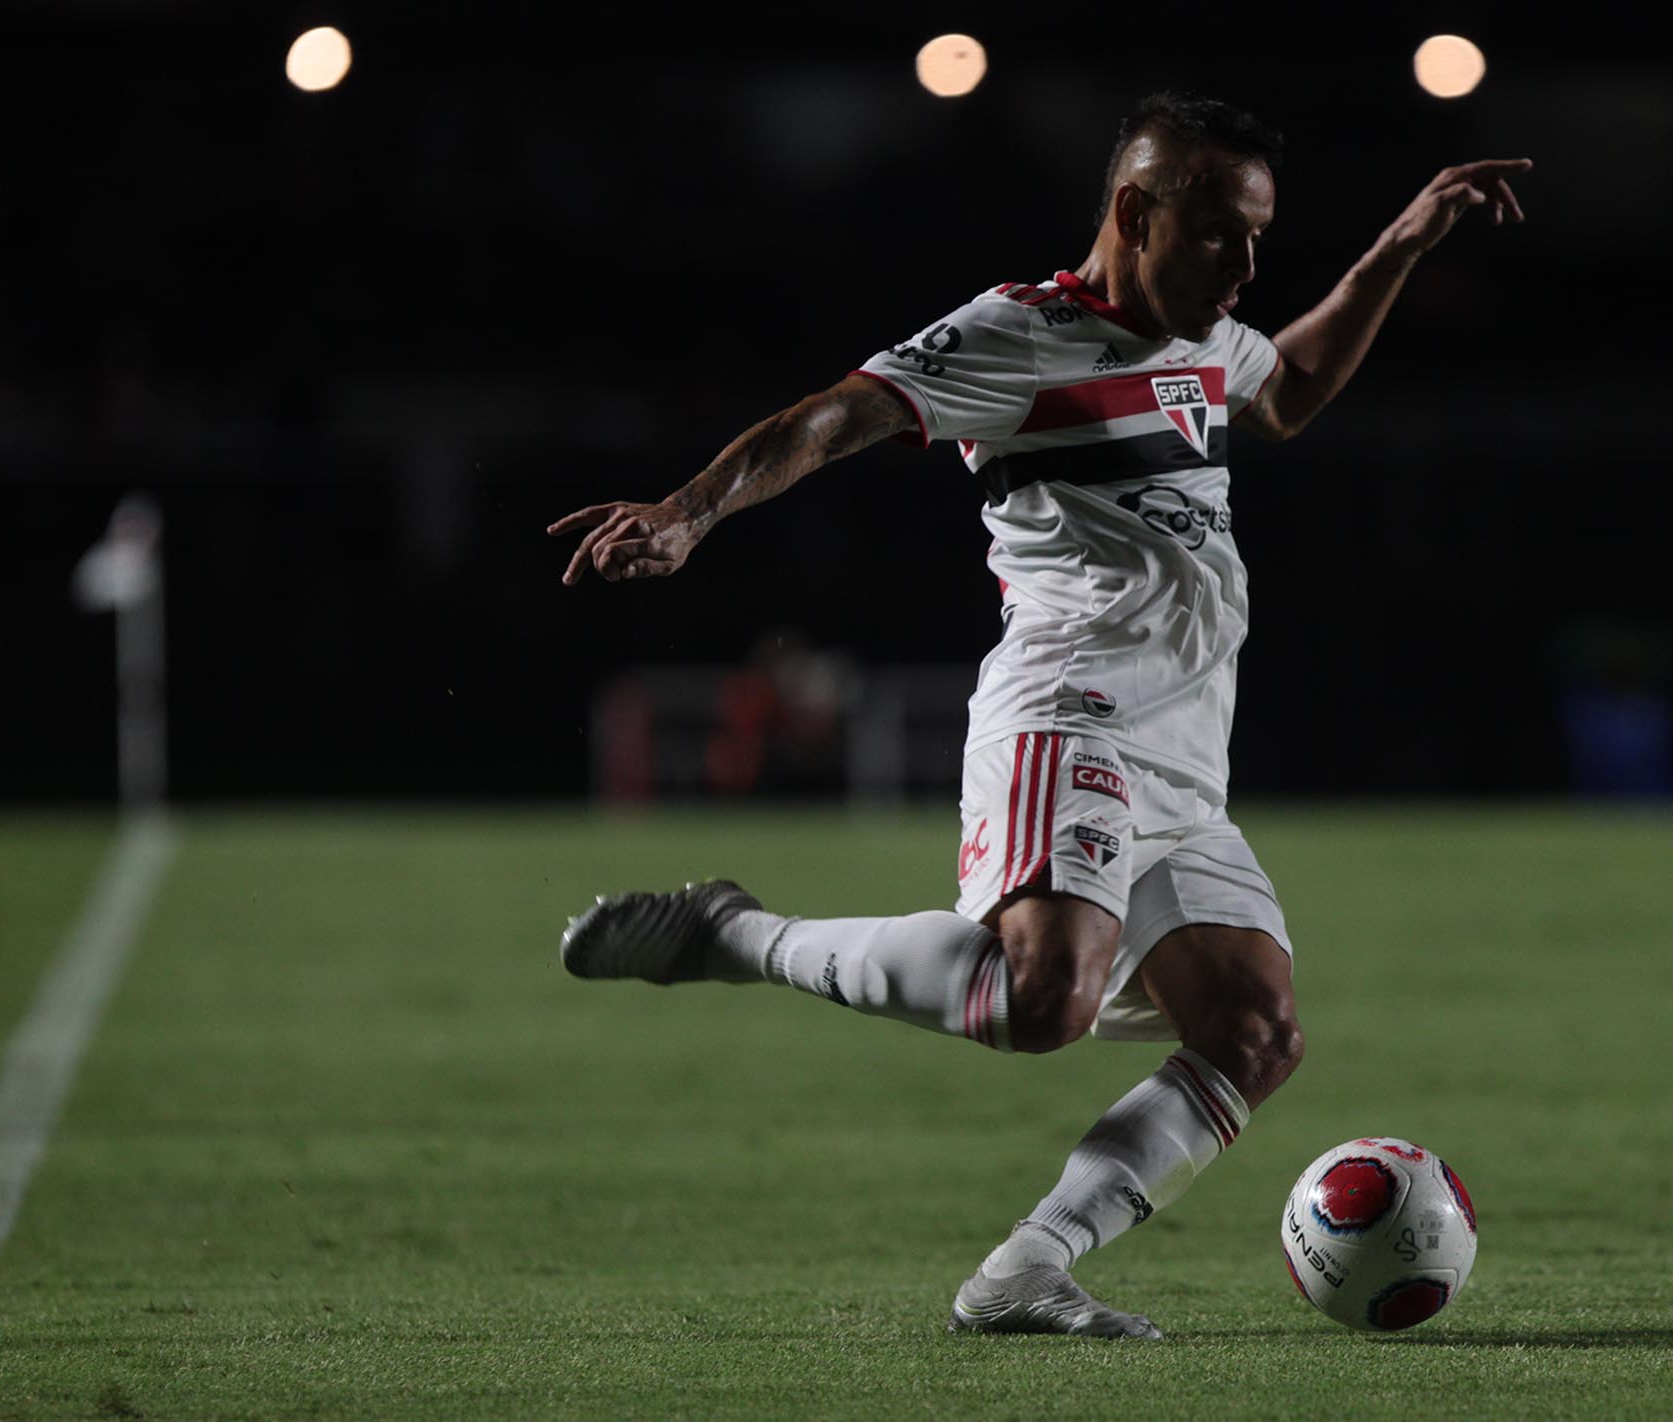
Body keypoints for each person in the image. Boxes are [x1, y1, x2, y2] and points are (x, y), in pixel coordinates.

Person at [549, 92, 1528, 1339]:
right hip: (1066, 712)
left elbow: (1285, 389)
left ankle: (1025, 1270)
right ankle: (733, 935)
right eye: (1220, 233)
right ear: (1134, 210)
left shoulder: (1205, 339)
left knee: (1253, 1028)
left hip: (1184, 755)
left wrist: (1400, 244)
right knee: (1043, 1001)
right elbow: (833, 416)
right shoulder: (1020, 334)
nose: (1242, 267)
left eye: (1257, 240)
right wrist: (688, 512)